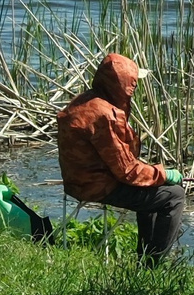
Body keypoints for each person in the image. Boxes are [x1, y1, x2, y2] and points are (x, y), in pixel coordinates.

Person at [56, 52, 183, 263]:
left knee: (150, 186)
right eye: (134, 83)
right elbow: (127, 172)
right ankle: (153, 265)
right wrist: (164, 173)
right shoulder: (105, 115)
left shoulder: (86, 100)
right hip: (96, 186)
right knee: (174, 195)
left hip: (78, 180)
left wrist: (152, 175)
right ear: (124, 85)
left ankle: (146, 257)